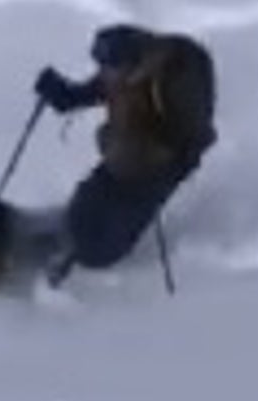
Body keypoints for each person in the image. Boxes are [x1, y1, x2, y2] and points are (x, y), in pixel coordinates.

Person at [29, 24, 217, 285]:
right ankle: (66, 249)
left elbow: (189, 135)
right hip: (127, 155)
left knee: (106, 245)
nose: (104, 75)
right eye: (102, 67)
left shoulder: (176, 76)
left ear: (134, 64)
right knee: (83, 208)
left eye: (110, 68)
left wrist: (144, 146)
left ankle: (93, 264)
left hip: (163, 164)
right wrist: (62, 95)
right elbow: (88, 93)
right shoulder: (124, 69)